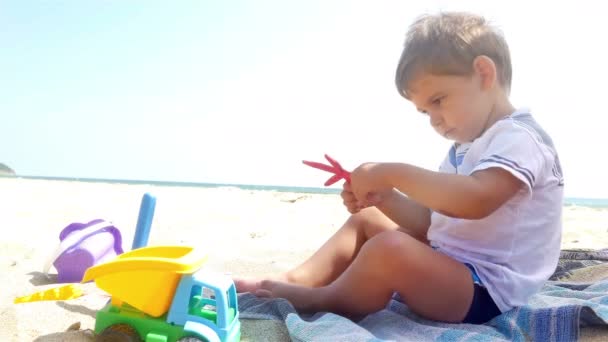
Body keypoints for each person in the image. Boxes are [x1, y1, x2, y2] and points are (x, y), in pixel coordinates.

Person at [235, 11, 564, 324]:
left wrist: (392, 172)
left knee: (389, 250)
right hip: (453, 268)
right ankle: (293, 279)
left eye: (438, 100)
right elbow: (432, 224)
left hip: (489, 292)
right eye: (424, 112)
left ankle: (324, 298)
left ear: (484, 73)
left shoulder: (519, 138)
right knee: (367, 218)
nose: (434, 120)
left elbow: (474, 201)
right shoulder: (464, 149)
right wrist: (384, 198)